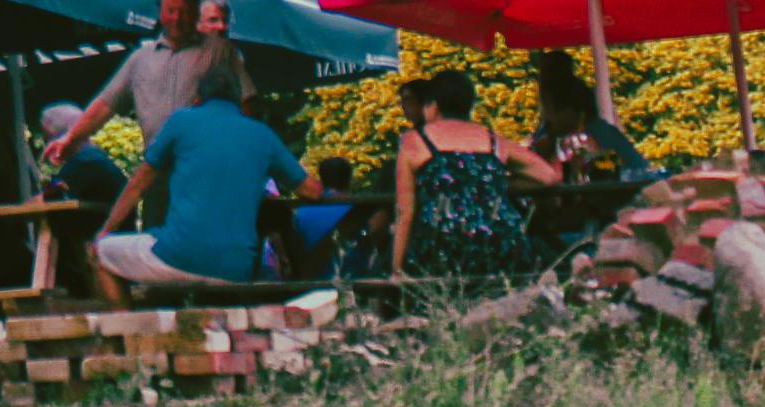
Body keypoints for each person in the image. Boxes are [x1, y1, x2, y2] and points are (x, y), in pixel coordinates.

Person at [87, 44, 316, 304]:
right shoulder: (262, 134)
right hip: (236, 268)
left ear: (196, 98)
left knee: (100, 253)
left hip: (178, 256)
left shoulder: (181, 121)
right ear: (240, 100)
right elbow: (311, 190)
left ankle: (125, 338)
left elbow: (138, 185)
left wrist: (106, 230)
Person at [393, 66, 558, 282]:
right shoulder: (492, 140)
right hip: (501, 240)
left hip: (441, 244)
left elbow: (405, 212)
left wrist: (396, 269)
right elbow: (547, 176)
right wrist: (491, 184)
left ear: (432, 106)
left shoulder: (414, 141)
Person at [41, 0, 213, 169]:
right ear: (160, 13)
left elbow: (245, 107)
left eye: (185, 11)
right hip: (160, 170)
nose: (177, 18)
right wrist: (69, 139)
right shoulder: (141, 58)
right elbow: (105, 105)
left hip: (207, 165)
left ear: (197, 14)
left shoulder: (219, 56)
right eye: (171, 10)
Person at [36, 99, 126, 295]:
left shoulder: (84, 162)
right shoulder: (93, 158)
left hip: (102, 248)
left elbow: (39, 203)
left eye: (45, 136)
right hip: (114, 240)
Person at [528, 50, 656, 184]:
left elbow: (640, 173)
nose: (548, 116)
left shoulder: (600, 133)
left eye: (551, 110)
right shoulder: (547, 136)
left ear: (571, 110)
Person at [281, 153, 363, 280]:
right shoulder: (358, 210)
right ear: (349, 178)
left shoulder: (302, 212)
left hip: (312, 286)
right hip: (352, 283)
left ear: (322, 179)